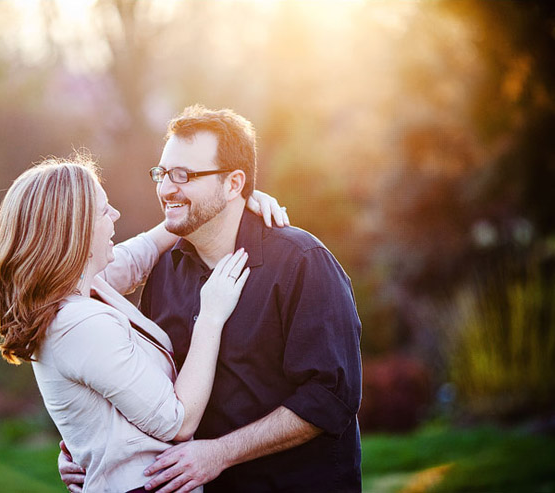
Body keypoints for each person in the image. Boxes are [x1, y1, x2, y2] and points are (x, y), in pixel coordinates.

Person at [60, 105, 362, 492]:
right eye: (163, 173)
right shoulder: (164, 273)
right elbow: (145, 389)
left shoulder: (302, 262)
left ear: (234, 184)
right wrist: (82, 446)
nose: (167, 187)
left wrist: (220, 453)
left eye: (184, 175)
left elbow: (329, 398)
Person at [0, 156, 287, 493]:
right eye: (103, 211)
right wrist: (211, 316)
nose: (115, 215)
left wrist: (230, 203)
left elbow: (142, 252)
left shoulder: (79, 287)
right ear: (75, 230)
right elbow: (178, 421)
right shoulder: (78, 325)